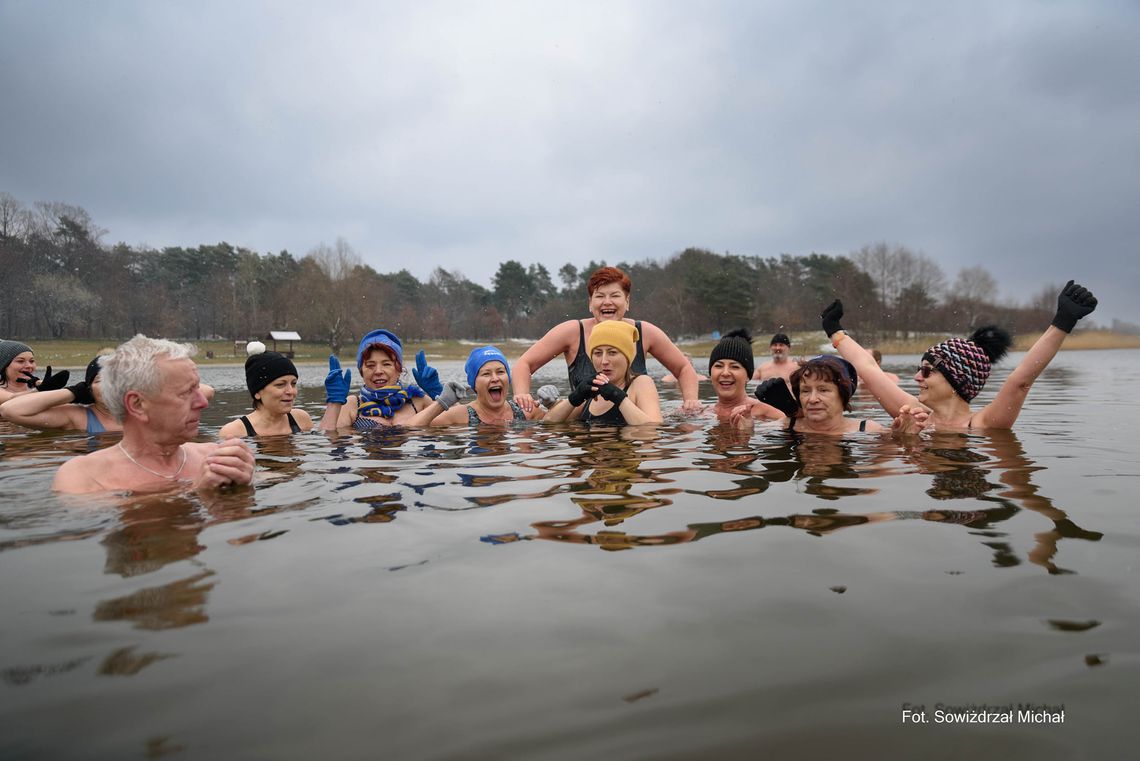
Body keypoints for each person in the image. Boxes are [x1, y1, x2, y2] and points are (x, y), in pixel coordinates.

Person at [819, 279, 1098, 430]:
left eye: (927, 371)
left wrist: (1063, 322)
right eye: (919, 369)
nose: (917, 377)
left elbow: (1020, 381)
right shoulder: (916, 414)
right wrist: (835, 332)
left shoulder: (983, 425)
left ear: (957, 380)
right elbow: (869, 369)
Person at [53, 335, 254, 493]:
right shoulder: (83, 476)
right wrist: (194, 492)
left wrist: (246, 483)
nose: (203, 403)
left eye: (197, 389)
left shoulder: (214, 457)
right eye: (186, 392)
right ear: (138, 405)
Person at [511, 266, 702, 414]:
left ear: (627, 301)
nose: (607, 302)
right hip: (585, 426)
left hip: (635, 427)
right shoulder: (572, 332)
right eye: (600, 296)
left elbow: (683, 368)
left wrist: (690, 402)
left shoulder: (644, 332)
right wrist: (522, 395)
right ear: (590, 303)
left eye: (615, 296)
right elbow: (524, 364)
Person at [1, 354, 216, 433]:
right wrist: (72, 393)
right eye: (100, 381)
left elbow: (206, 391)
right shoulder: (78, 417)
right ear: (88, 389)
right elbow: (10, 410)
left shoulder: (150, 409)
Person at [320, 329, 451, 430]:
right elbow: (328, 439)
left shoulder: (419, 401)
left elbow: (459, 420)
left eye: (386, 364)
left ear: (399, 369)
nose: (378, 371)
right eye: (370, 365)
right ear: (361, 371)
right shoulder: (352, 405)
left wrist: (438, 393)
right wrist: (334, 404)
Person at [543, 320, 662, 425]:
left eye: (612, 353)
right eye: (598, 353)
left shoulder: (641, 383)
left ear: (627, 358)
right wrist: (574, 397)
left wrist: (618, 397)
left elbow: (652, 429)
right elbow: (549, 423)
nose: (604, 361)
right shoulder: (593, 388)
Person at [741, 355, 884, 434]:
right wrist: (746, 431)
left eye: (823, 390)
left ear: (843, 394)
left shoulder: (868, 430)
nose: (813, 399)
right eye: (805, 391)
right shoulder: (785, 425)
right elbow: (750, 436)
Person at [431, 346, 549, 426]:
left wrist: (553, 404)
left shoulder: (527, 410)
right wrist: (441, 404)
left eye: (500, 372)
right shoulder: (459, 415)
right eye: (486, 374)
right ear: (474, 383)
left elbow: (555, 422)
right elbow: (418, 428)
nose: (495, 378)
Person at [219, 344, 314, 437]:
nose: (291, 391)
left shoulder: (301, 419)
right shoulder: (235, 432)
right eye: (280, 385)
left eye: (293, 384)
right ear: (257, 392)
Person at [702, 329, 783, 424]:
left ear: (748, 376)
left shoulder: (766, 412)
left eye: (735, 367)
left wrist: (749, 430)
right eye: (719, 366)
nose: (725, 373)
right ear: (710, 374)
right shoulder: (704, 413)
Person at [0, 340, 69, 403]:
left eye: (31, 361)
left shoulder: (36, 385)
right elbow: (11, 398)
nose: (29, 366)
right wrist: (40, 389)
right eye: (20, 361)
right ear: (4, 366)